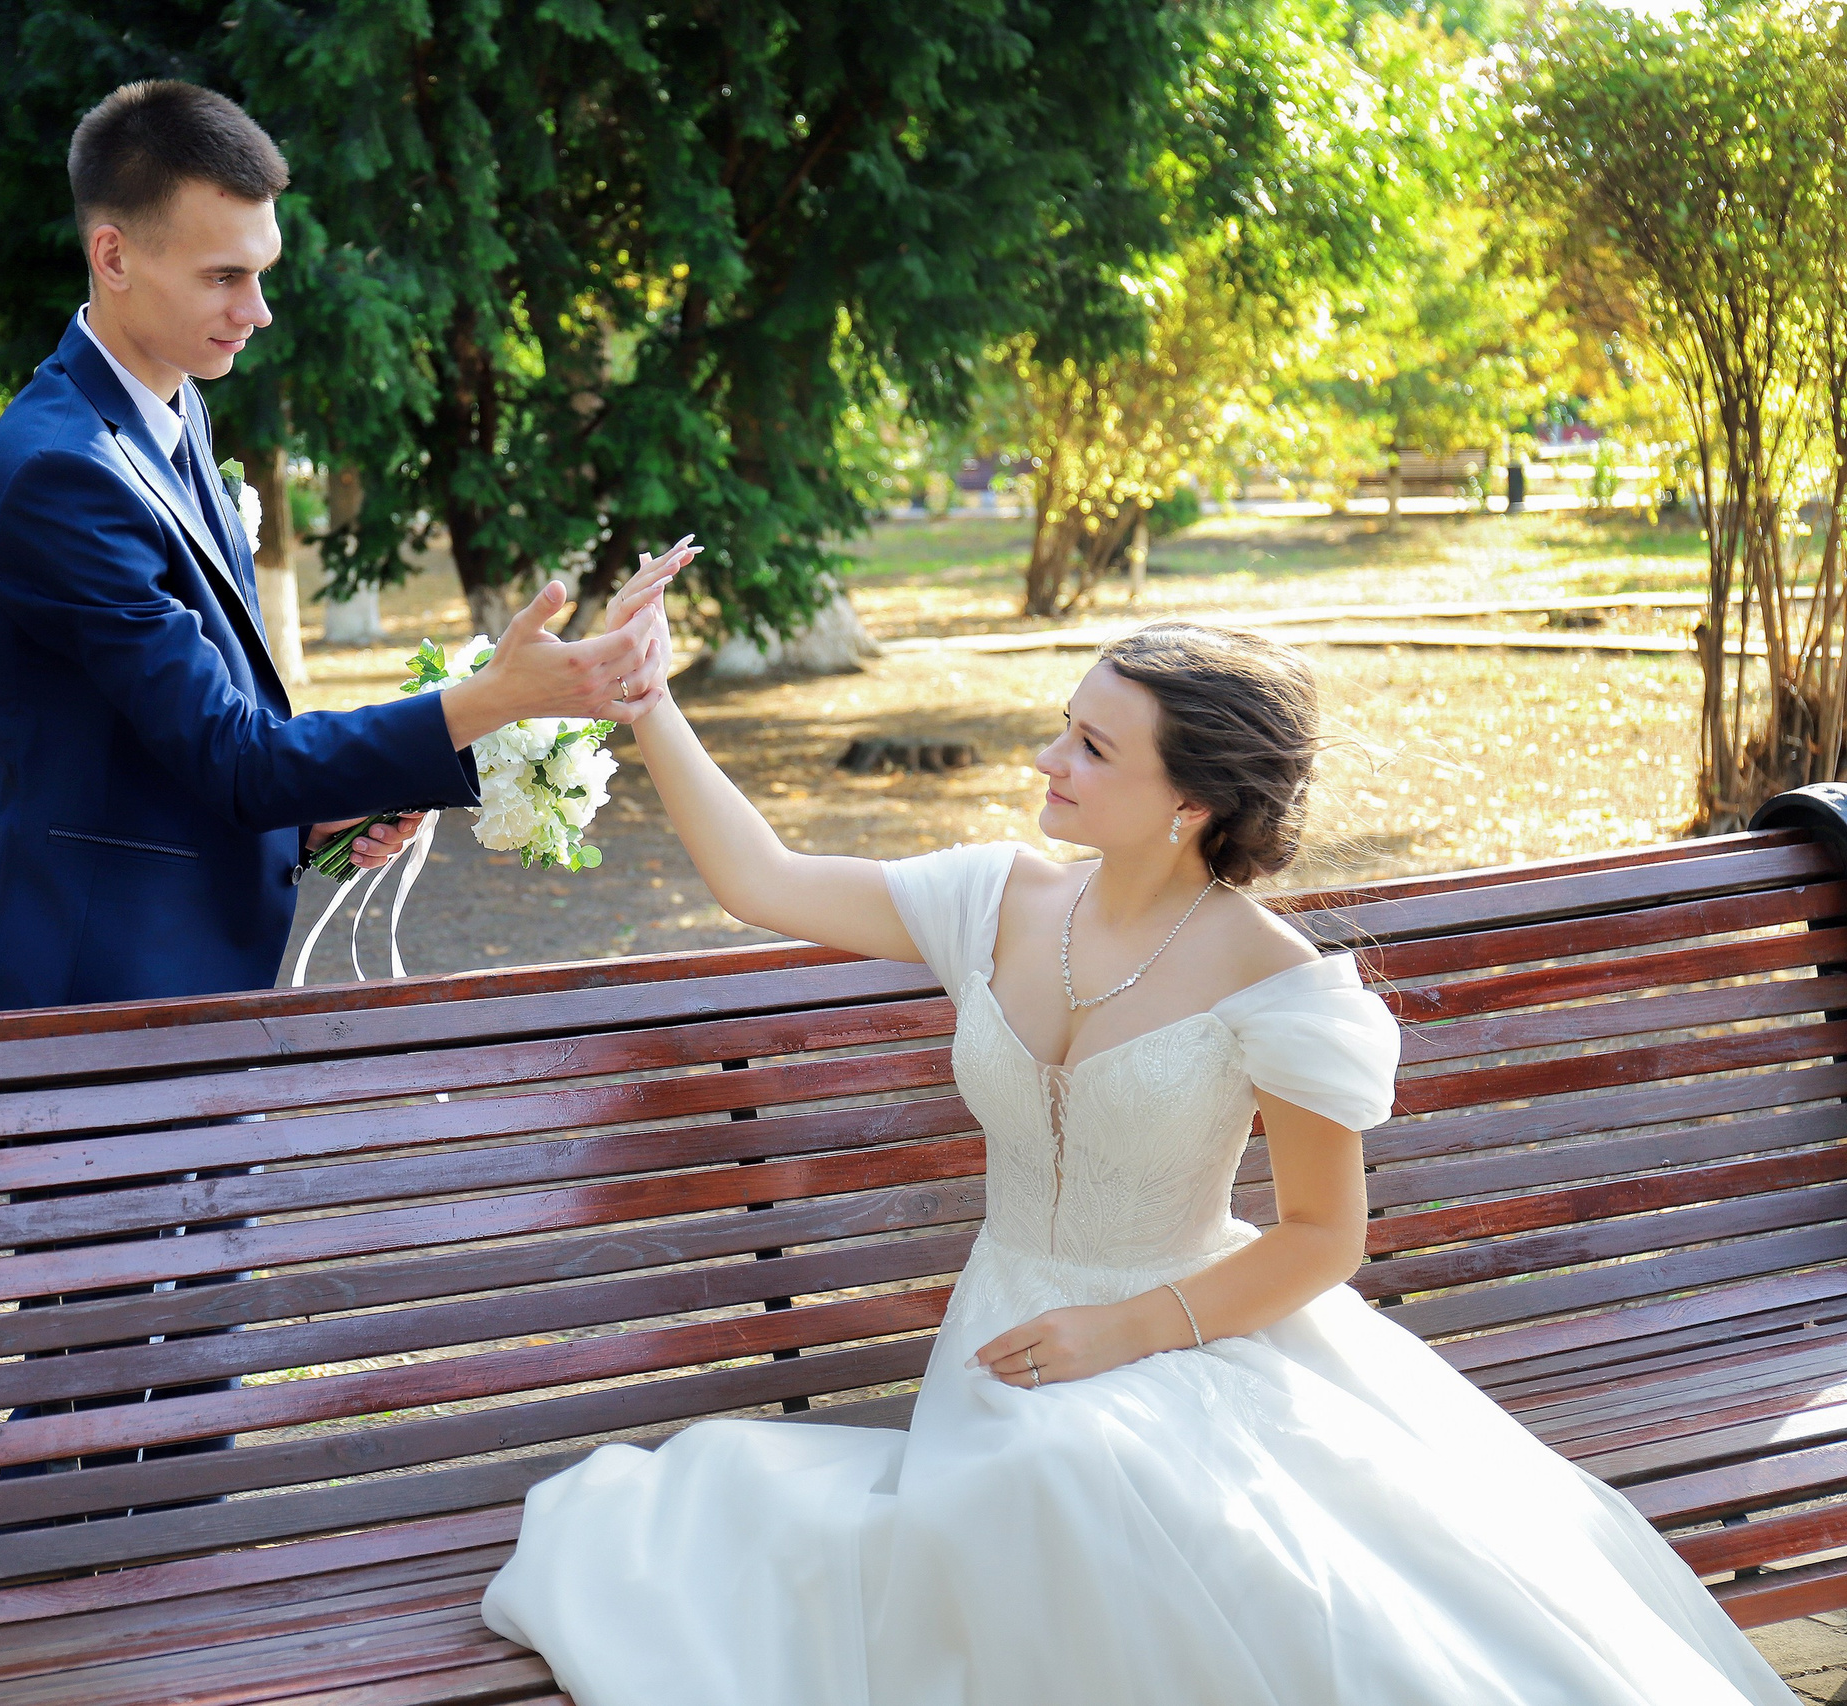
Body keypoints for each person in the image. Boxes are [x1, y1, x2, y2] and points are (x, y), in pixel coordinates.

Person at [481, 586, 1790, 1705]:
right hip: (1006, 1333)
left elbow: (1327, 1239)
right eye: (1066, 725)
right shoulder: (993, 897)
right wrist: (644, 700)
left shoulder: (1281, 984)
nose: (1050, 758)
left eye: (1093, 746)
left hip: (1196, 1334)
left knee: (1244, 1562)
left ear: (1189, 806)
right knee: (1026, 1488)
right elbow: (758, 877)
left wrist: (1130, 1329)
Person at [0, 80, 670, 1510]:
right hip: (99, 1004)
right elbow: (230, 756)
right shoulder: (56, 476)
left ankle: (182, 1639)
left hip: (204, 985)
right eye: (224, 276)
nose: (254, 313)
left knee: (192, 1401)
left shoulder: (166, 419)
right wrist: (491, 706)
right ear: (113, 255)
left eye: (261, 275)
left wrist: (330, 817)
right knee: (89, 1415)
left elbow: (200, 755)